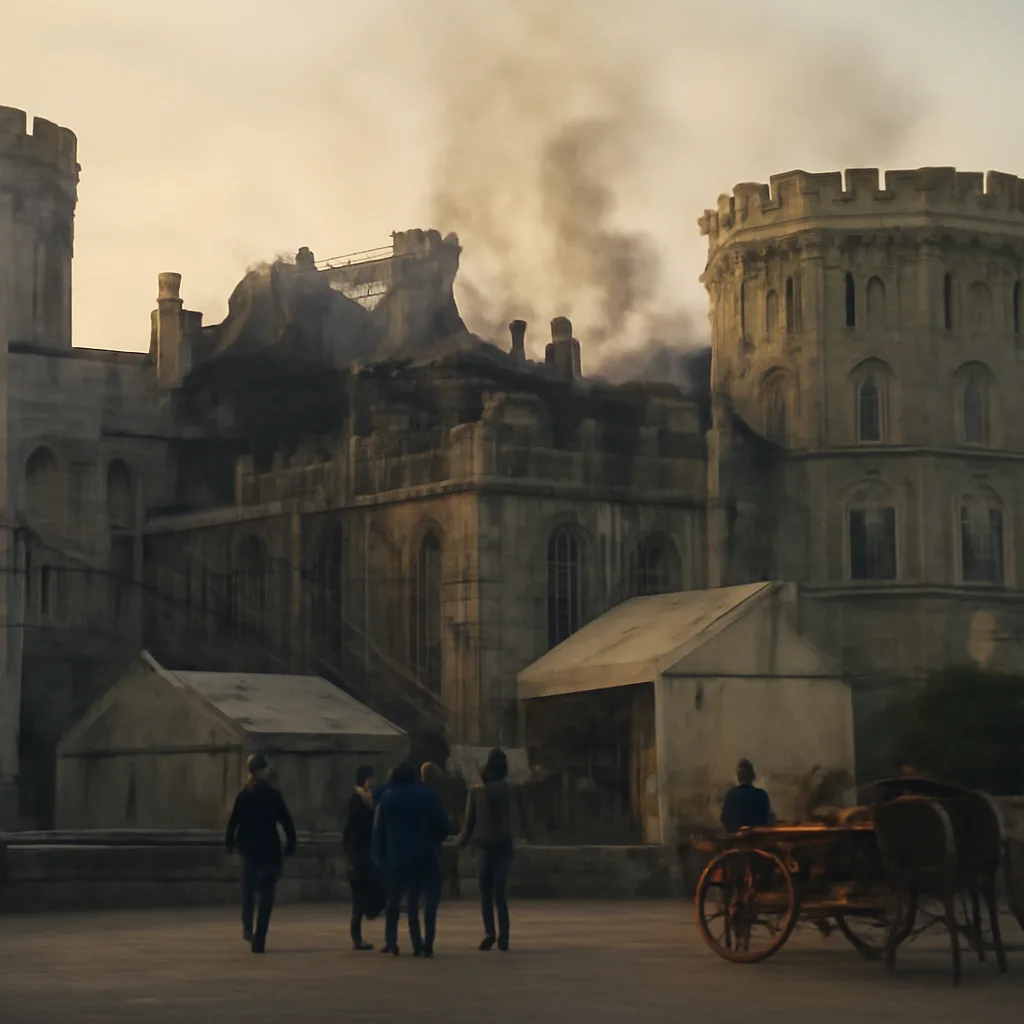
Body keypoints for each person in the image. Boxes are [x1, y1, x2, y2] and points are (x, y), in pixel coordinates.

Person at [372, 760, 449, 958]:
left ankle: (393, 942)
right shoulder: (428, 796)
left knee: (396, 901)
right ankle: (426, 941)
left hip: (397, 858)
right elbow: (442, 825)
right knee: (426, 900)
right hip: (425, 856)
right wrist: (435, 843)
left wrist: (380, 857)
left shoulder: (387, 798)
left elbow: (378, 831)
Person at [457, 747, 531, 952]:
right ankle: (504, 936)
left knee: (486, 893)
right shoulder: (510, 790)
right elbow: (521, 818)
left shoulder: (476, 791)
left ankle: (490, 932)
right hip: (503, 846)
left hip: (482, 846)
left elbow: (469, 823)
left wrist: (461, 843)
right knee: (500, 893)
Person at [225, 753, 297, 953]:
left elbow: (233, 822)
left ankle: (247, 926)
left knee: (248, 892)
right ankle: (260, 937)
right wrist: (291, 844)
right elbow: (287, 822)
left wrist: (229, 843)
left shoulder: (244, 795)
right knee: (266, 896)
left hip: (248, 849)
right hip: (269, 850)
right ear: (261, 771)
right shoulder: (273, 795)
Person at [342, 765, 385, 951]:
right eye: (371, 778)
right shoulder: (359, 800)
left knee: (359, 899)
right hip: (359, 856)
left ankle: (358, 935)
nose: (374, 781)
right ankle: (357, 935)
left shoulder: (368, 799)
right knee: (361, 897)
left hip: (361, 855)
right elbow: (355, 829)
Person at [720, 758, 773, 832]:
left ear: (738, 777)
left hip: (735, 839)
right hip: (758, 838)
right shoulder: (761, 795)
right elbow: (767, 819)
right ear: (752, 776)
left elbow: (724, 819)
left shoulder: (731, 794)